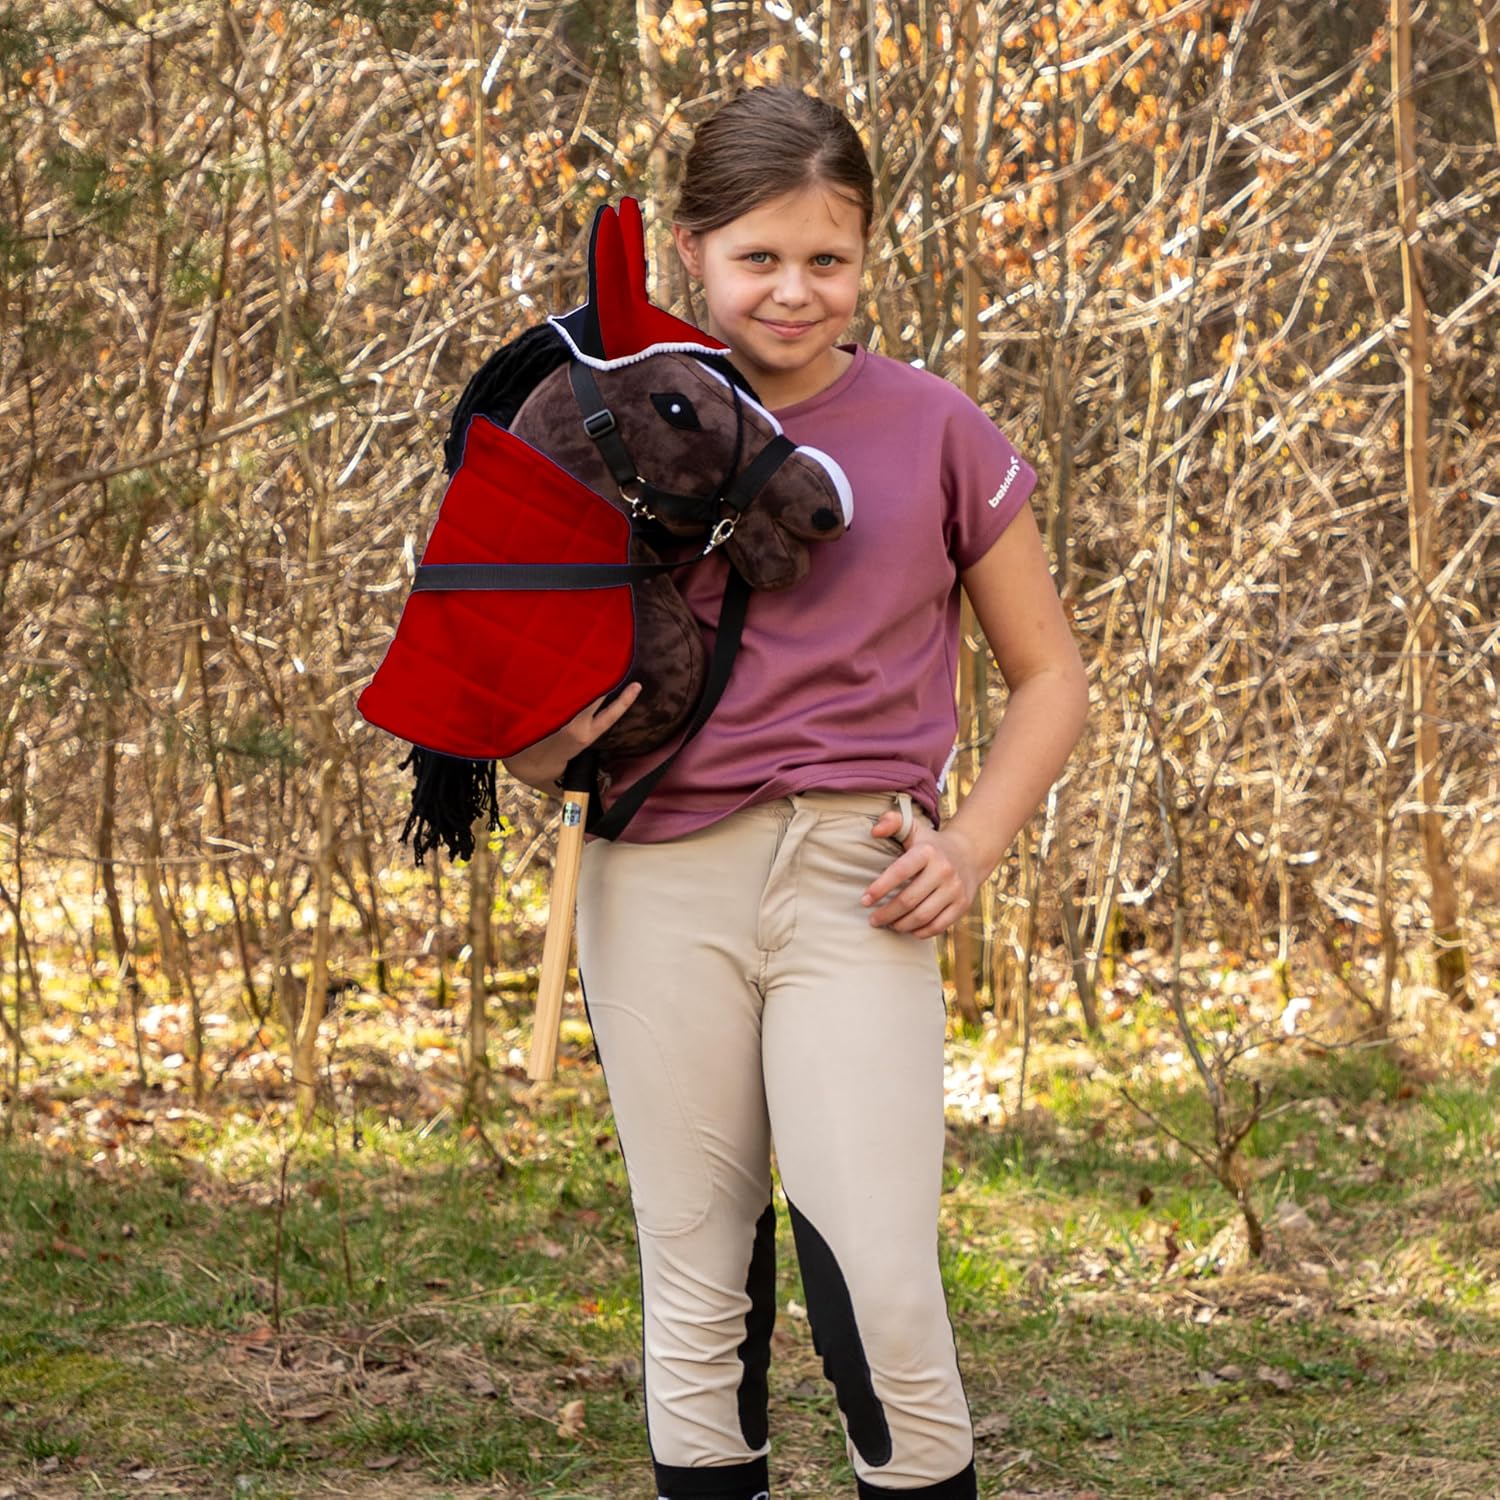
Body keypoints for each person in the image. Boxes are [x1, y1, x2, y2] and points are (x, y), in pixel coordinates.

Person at [502, 86, 1089, 1500]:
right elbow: (505, 685)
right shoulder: (610, 421)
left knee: (879, 1279)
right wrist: (536, 746)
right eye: (758, 256)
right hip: (655, 881)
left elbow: (1052, 677)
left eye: (828, 257)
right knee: (697, 1279)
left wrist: (973, 847)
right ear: (692, 254)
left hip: (861, 880)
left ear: (869, 256)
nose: (793, 289)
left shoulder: (936, 426)